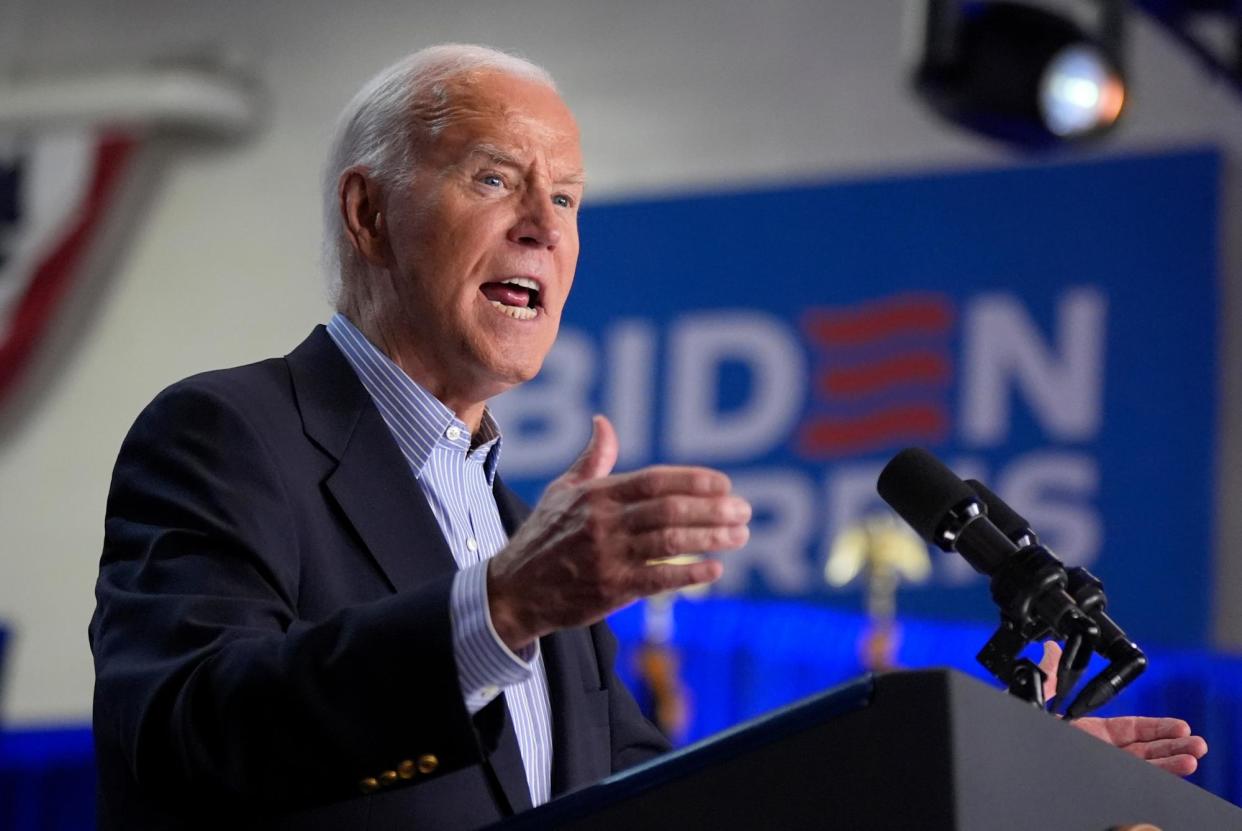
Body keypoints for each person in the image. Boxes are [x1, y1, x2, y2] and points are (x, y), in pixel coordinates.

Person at [88, 43, 1205, 831]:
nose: (543, 223)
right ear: (367, 213)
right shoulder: (230, 435)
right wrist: (503, 607)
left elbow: (676, 809)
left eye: (567, 198)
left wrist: (977, 788)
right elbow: (184, 737)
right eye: (495, 178)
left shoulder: (522, 532)